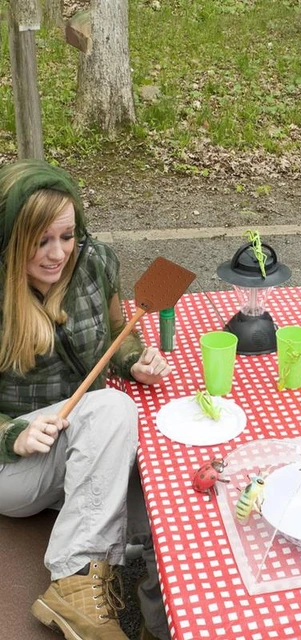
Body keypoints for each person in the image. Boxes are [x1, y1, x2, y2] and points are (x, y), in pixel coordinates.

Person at [0, 159, 171, 640]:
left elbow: (120, 332)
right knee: (115, 409)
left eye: (67, 235)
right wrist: (14, 432)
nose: (58, 254)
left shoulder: (95, 262)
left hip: (81, 449)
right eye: (41, 241)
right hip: (14, 470)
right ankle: (75, 582)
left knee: (161, 499)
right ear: (13, 239)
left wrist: (133, 360)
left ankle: (160, 625)